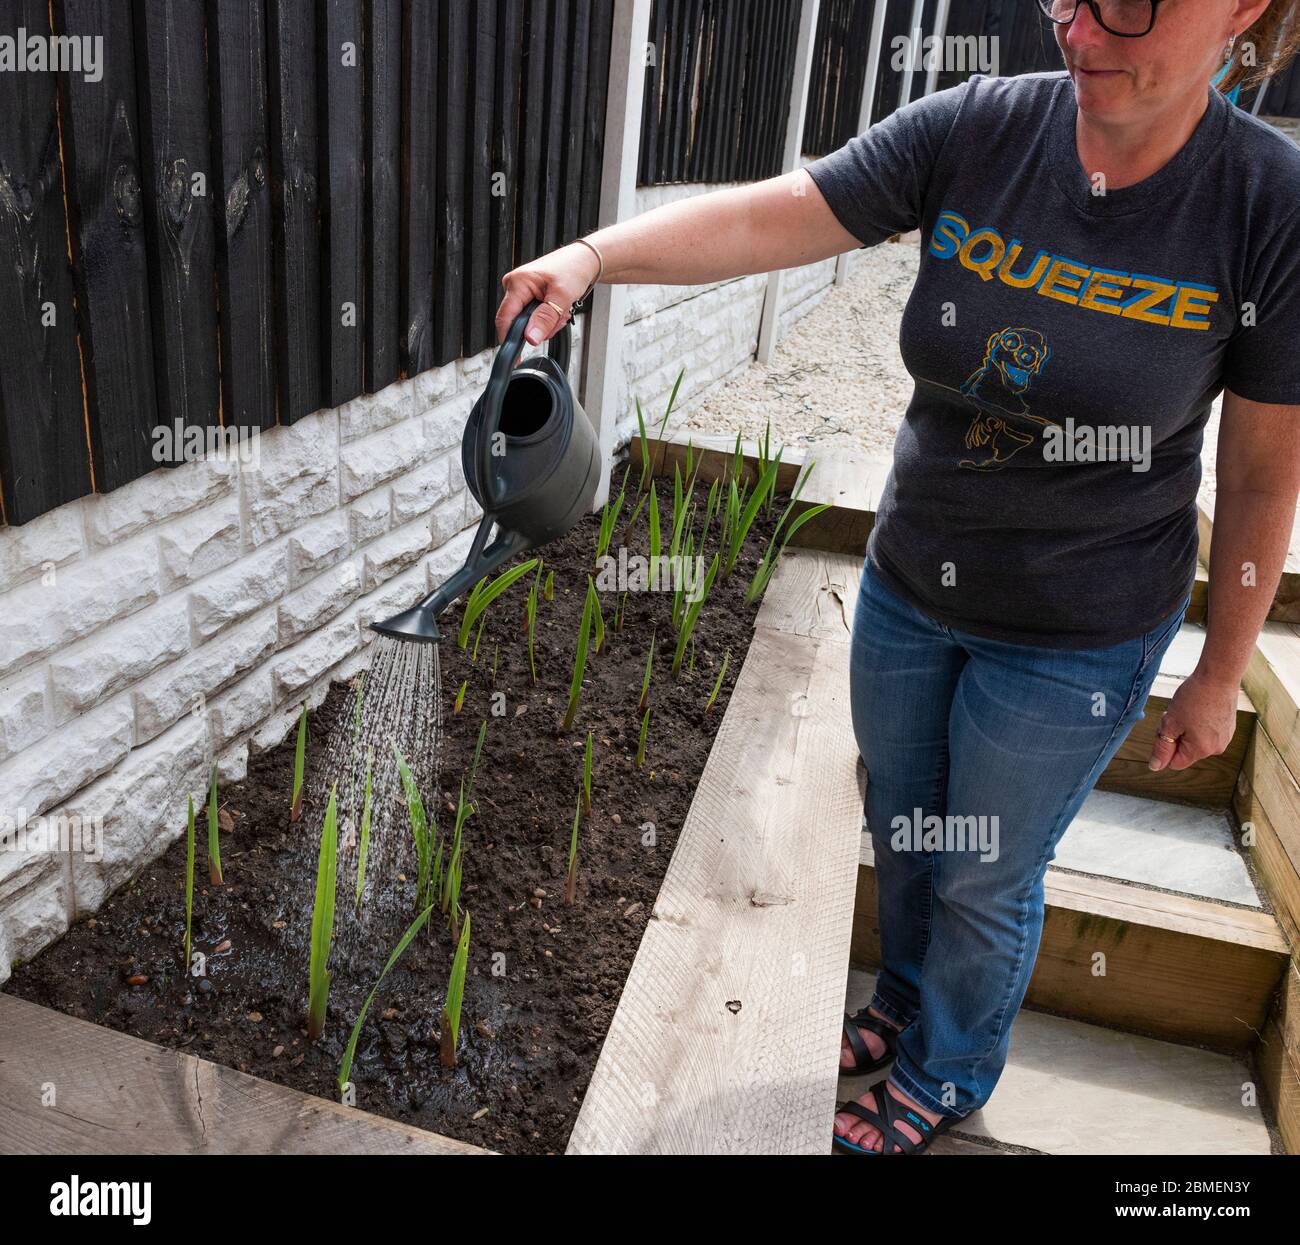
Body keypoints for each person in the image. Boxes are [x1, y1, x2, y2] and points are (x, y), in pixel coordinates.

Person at [495, 0, 1300, 1154]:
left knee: (984, 871)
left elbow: (1264, 475)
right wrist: (595, 256)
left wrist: (1220, 671)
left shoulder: (1264, 206)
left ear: (1242, 8)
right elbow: (785, 212)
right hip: (914, 586)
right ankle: (901, 1006)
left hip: (1078, 632)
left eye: (1127, 0)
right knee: (910, 827)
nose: (1080, 30)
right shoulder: (979, 127)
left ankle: (950, 1069)